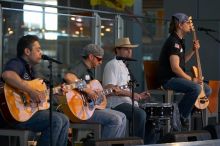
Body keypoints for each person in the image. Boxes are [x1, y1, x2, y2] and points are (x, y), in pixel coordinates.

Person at [1, 35, 69, 146]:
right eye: (38, 49)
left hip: (27, 114)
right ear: (27, 51)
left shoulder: (32, 70)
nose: (41, 53)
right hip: (14, 116)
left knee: (65, 119)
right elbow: (7, 75)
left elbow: (38, 98)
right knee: (55, 120)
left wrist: (55, 93)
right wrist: (31, 91)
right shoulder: (17, 63)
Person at [158, 13, 212, 126]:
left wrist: (192, 50)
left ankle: (182, 113)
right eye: (187, 22)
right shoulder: (174, 42)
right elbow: (175, 68)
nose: (189, 25)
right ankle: (180, 116)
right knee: (196, 88)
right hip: (169, 80)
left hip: (176, 78)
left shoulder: (179, 41)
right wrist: (192, 80)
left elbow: (181, 62)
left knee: (206, 90)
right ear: (179, 25)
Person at [64, 44, 126, 138]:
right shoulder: (81, 66)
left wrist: (109, 91)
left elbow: (92, 93)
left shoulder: (89, 71)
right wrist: (88, 90)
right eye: (99, 59)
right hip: (79, 110)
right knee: (115, 119)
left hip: (88, 108)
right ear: (91, 56)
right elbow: (69, 77)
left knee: (123, 116)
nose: (101, 62)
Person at [102, 37, 150, 142]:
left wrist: (138, 96)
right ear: (117, 50)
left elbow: (124, 88)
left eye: (130, 49)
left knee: (150, 115)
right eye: (125, 49)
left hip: (127, 102)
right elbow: (110, 88)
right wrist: (131, 95)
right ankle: (137, 144)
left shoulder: (124, 66)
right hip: (115, 104)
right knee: (140, 114)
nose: (129, 51)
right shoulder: (112, 64)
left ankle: (148, 143)